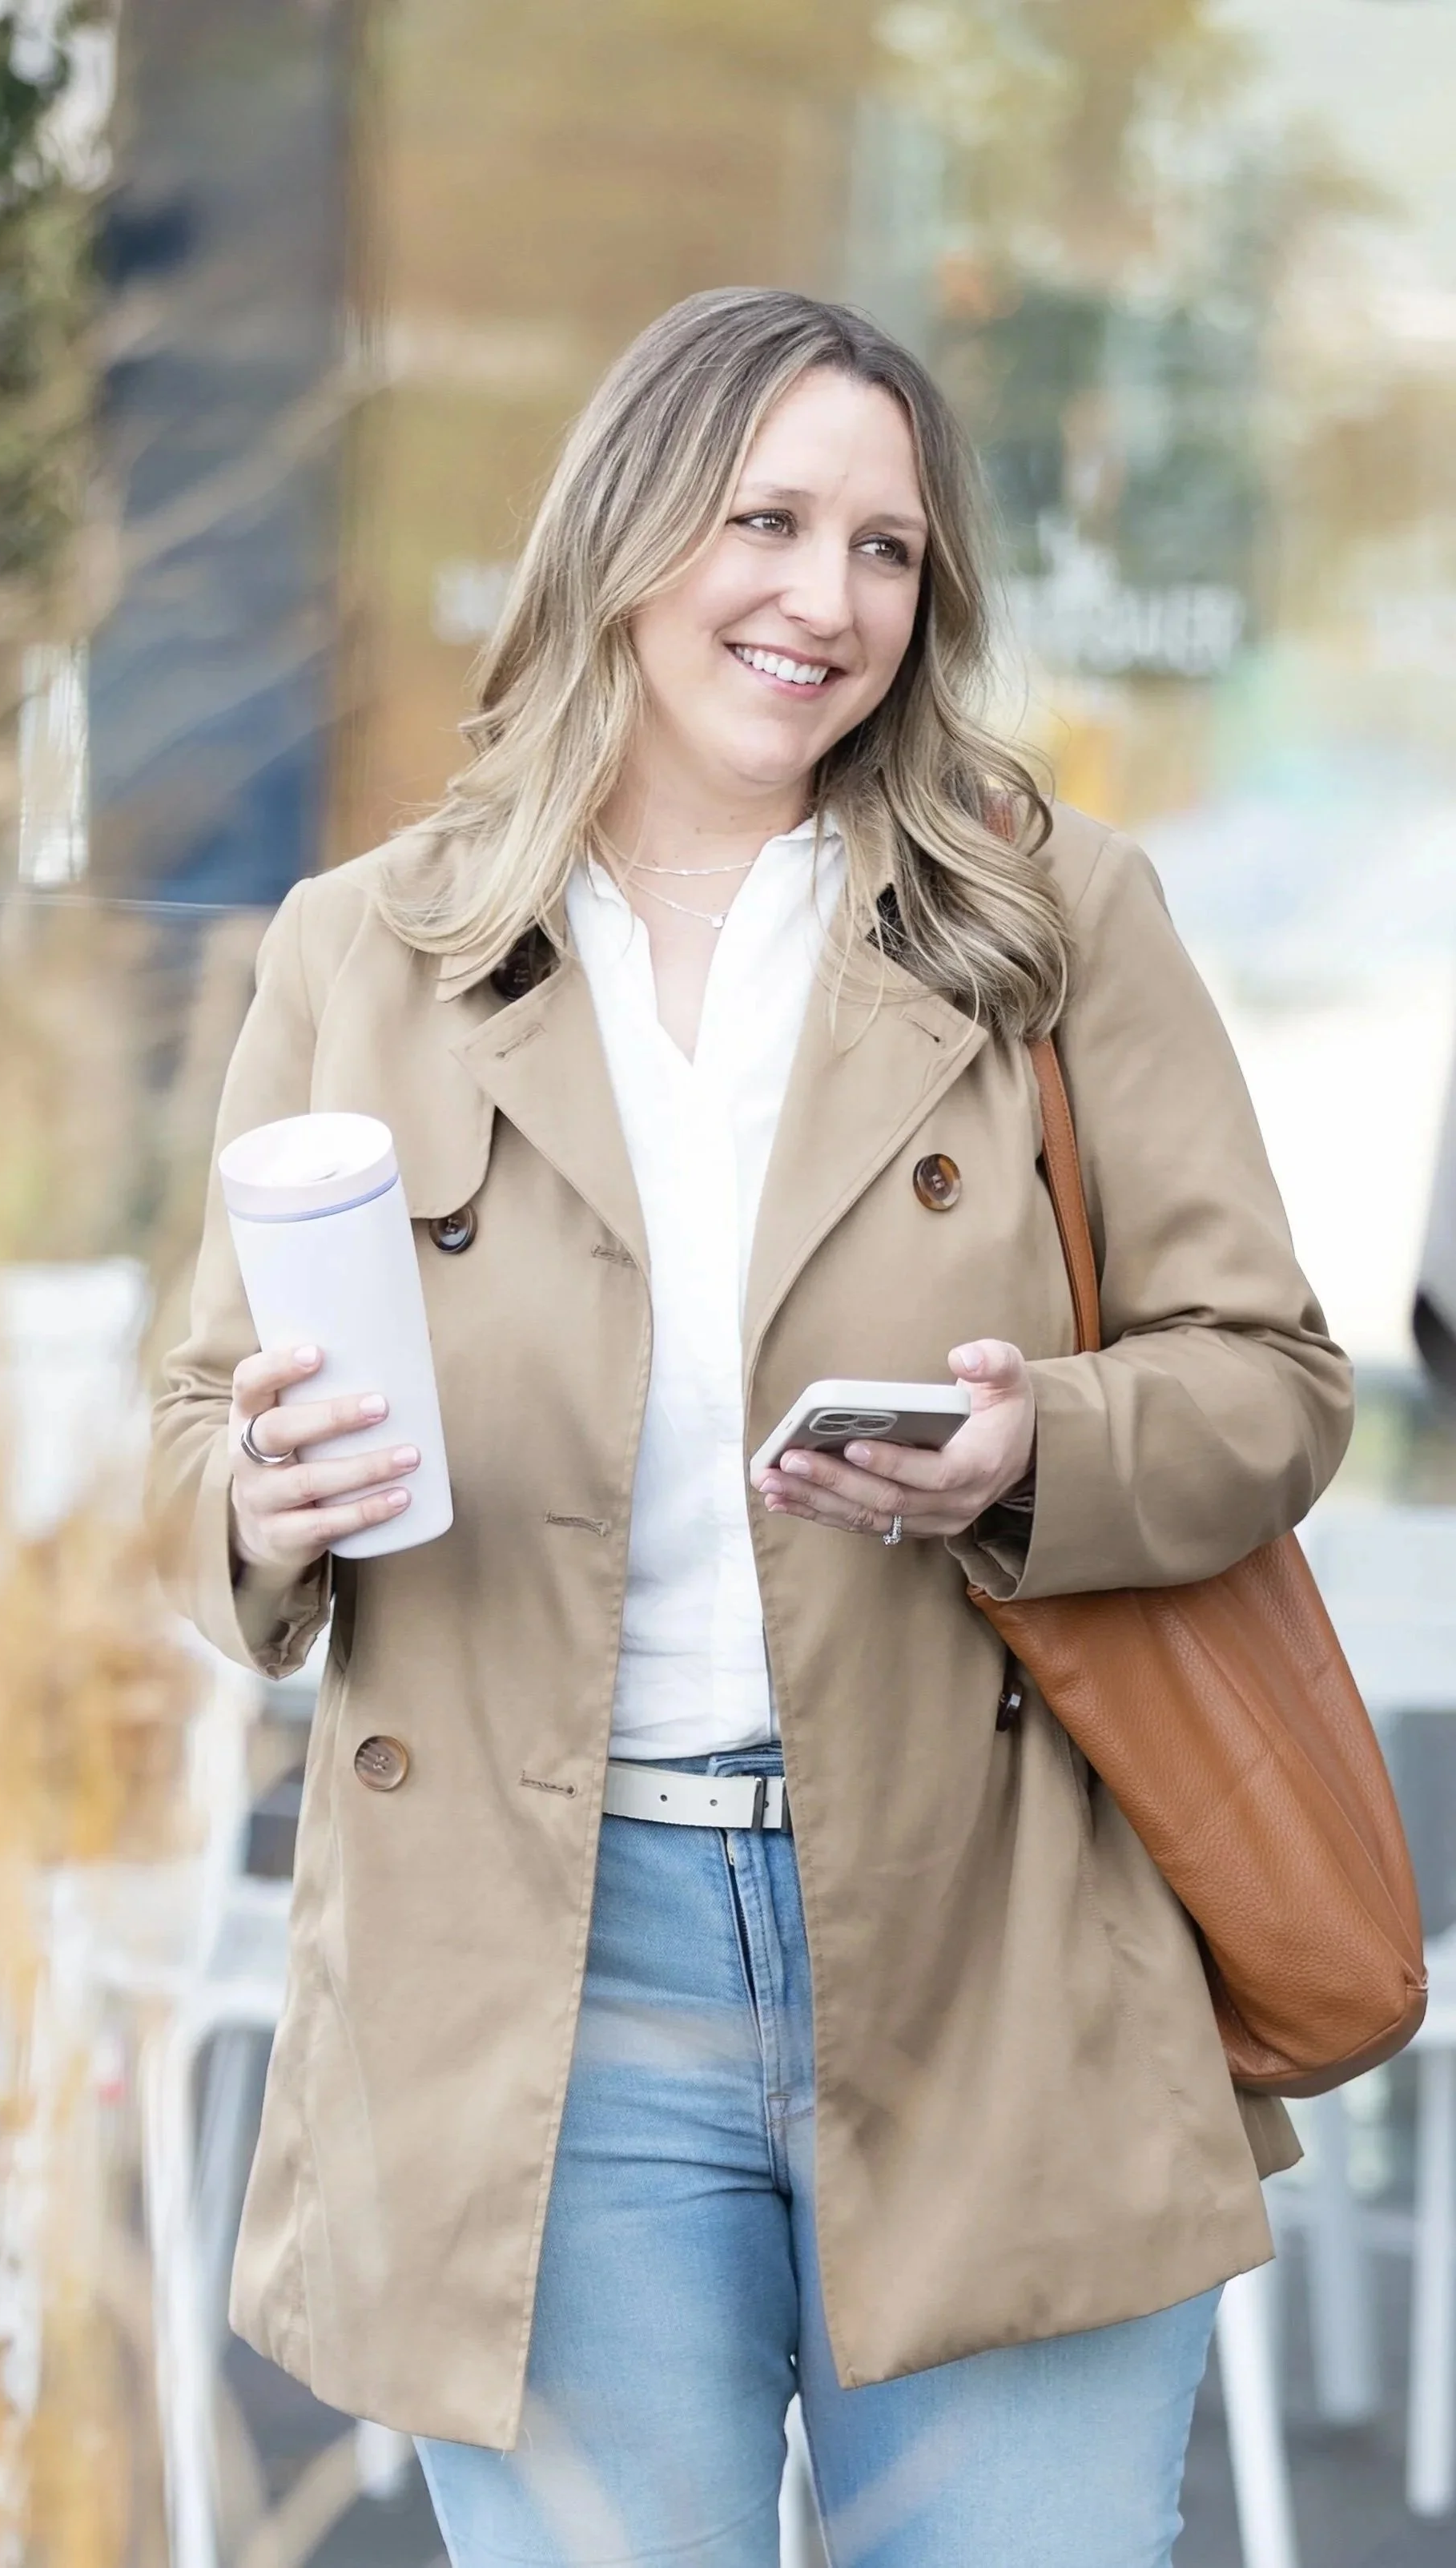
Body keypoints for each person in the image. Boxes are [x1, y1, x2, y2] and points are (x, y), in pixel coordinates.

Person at [150, 288, 1351, 2568]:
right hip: (542, 1980)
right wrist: (256, 1491)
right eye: (766, 521)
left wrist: (1037, 1450)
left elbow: (1271, 1382)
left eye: (887, 550)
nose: (828, 600)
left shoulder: (1051, 914)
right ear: (621, 536)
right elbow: (198, 1432)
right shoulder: (365, 951)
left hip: (995, 1944)